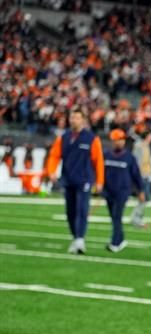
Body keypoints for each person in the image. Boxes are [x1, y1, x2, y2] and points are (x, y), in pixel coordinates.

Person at [46, 108, 104, 255]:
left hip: (84, 180)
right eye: (72, 118)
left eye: (77, 118)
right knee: (70, 212)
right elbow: (54, 155)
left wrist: (99, 181)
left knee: (82, 209)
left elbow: (98, 162)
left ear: (83, 120)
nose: (74, 120)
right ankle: (75, 238)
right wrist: (51, 171)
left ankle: (80, 239)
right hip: (68, 179)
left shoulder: (92, 138)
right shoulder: (63, 137)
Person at [101, 129, 145, 253]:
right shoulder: (106, 155)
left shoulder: (129, 157)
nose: (119, 142)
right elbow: (100, 172)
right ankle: (120, 240)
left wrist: (140, 191)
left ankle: (115, 243)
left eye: (121, 139)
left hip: (122, 192)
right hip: (108, 191)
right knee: (114, 217)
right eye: (117, 140)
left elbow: (136, 175)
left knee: (116, 216)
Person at [129, 130, 151, 228]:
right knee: (143, 197)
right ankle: (136, 218)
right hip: (141, 175)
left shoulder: (146, 146)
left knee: (145, 198)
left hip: (146, 174)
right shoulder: (140, 146)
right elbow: (136, 162)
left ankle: (137, 217)